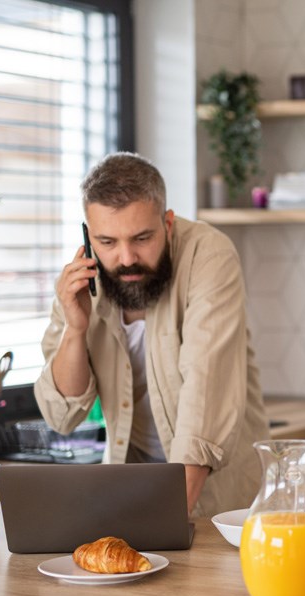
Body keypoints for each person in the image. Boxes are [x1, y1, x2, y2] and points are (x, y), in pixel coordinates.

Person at [34, 152, 270, 517]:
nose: (126, 258)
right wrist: (75, 328)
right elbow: (60, 415)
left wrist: (163, 527)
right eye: (108, 242)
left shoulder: (209, 255)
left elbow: (202, 404)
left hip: (219, 507)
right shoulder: (82, 279)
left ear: (168, 224)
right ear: (89, 234)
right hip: (129, 497)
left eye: (142, 237)